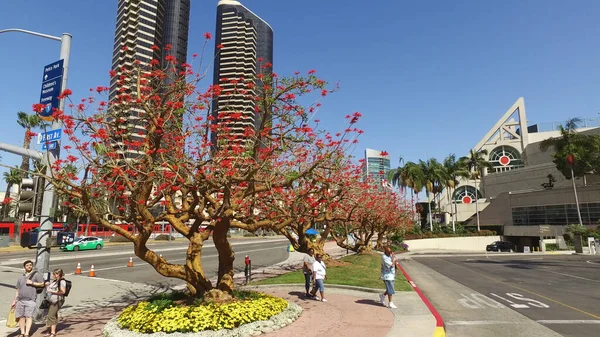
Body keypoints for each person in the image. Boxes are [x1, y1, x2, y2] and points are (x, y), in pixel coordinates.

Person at [12, 260, 45, 337]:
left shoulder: (36, 275)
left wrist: (32, 283)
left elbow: (42, 284)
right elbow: (17, 290)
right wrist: (14, 301)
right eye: (27, 265)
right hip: (20, 300)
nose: (29, 266)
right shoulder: (21, 277)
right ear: (24, 267)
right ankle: (22, 332)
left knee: (28, 317)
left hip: (30, 300)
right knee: (21, 317)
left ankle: (27, 333)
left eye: (30, 265)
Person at [43, 268, 67, 337]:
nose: (55, 275)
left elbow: (63, 292)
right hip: (52, 300)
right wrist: (47, 286)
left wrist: (52, 291)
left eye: (57, 274)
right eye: (54, 274)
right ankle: (51, 330)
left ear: (60, 274)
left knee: (51, 315)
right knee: (53, 315)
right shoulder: (54, 281)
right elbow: (49, 289)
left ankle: (52, 332)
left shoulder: (62, 282)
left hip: (57, 301)